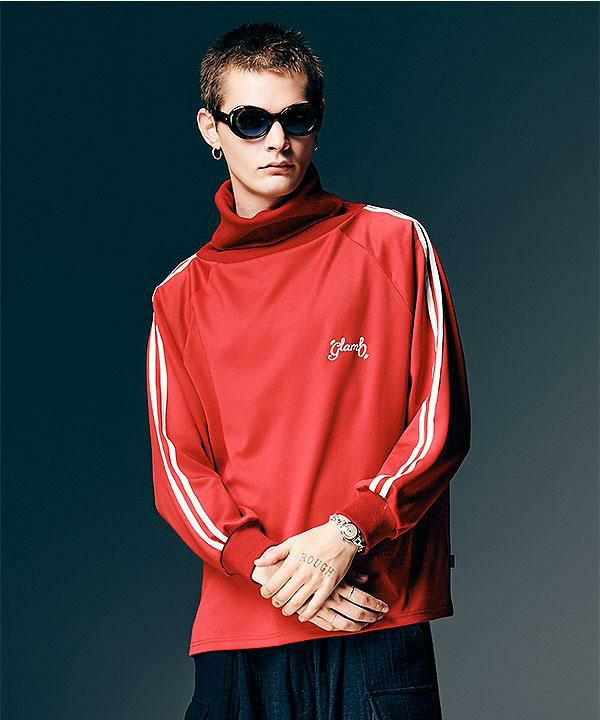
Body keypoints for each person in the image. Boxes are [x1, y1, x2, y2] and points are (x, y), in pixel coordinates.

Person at [145, 20, 471, 720]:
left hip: (374, 614)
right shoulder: (179, 297)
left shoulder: (395, 244)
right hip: (242, 630)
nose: (276, 140)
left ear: (317, 124)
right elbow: (179, 470)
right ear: (211, 128)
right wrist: (272, 573)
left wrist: (348, 533)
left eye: (296, 119)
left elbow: (439, 422)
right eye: (251, 120)